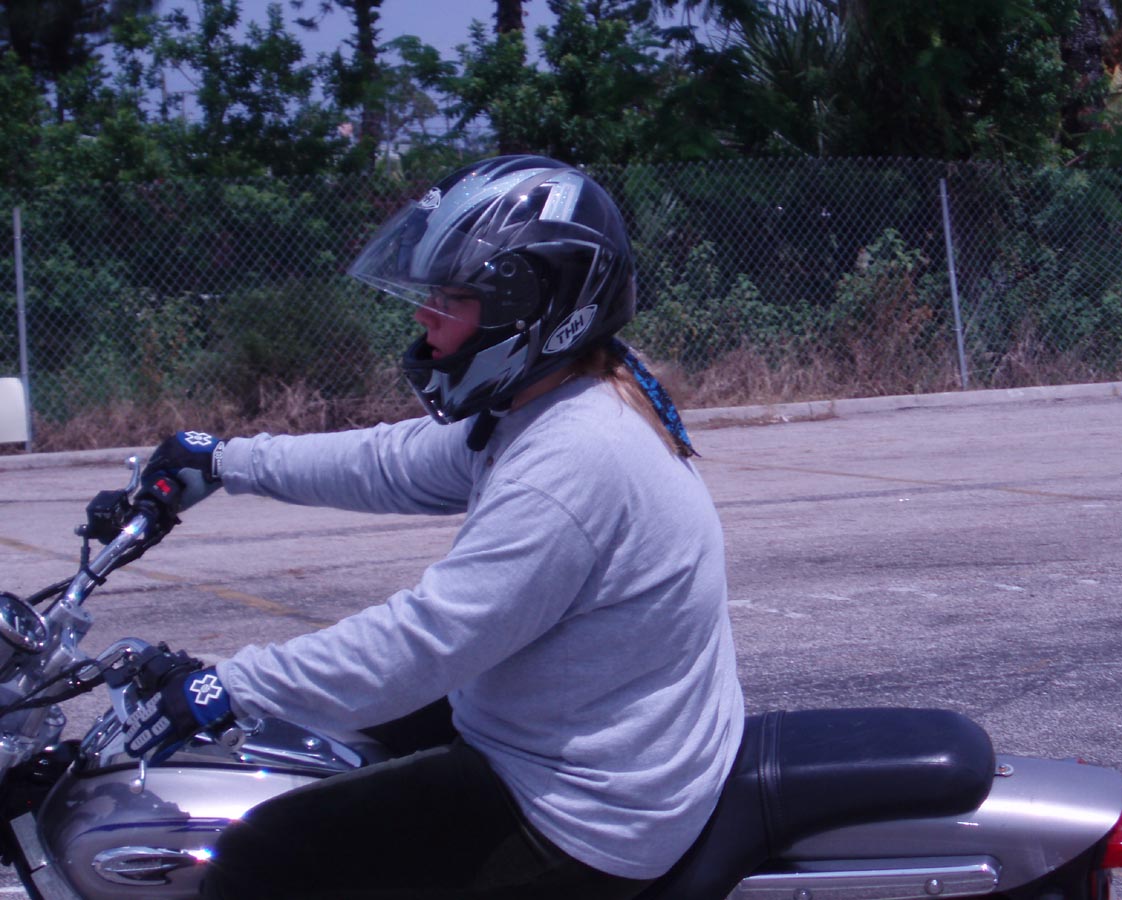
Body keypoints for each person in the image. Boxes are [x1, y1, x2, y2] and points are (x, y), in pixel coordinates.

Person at [124, 155, 745, 900]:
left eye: (454, 297)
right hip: (586, 733)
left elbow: (425, 642)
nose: (424, 317)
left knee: (260, 856)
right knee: (319, 748)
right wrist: (225, 461)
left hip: (589, 809)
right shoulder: (558, 398)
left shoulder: (574, 458)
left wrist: (227, 687)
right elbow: (391, 462)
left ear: (536, 309)